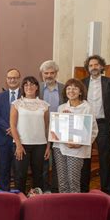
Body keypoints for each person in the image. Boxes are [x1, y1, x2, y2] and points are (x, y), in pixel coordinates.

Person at [81, 55, 110, 195]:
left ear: (102, 66)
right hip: (86, 123)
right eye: (91, 65)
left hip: (103, 124)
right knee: (85, 157)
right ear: (88, 68)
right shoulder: (82, 82)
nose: (94, 67)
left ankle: (107, 191)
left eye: (96, 65)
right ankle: (83, 189)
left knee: (105, 158)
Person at [52, 79, 98, 193]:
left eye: (74, 88)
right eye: (68, 88)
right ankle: (63, 207)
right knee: (62, 181)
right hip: (60, 147)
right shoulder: (61, 108)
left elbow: (93, 130)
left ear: (80, 92)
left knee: (73, 181)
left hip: (77, 149)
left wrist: (79, 143)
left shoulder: (87, 108)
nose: (71, 91)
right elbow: (56, 129)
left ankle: (74, 208)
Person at [10, 76, 50, 194]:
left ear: (37, 87)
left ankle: (37, 202)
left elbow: (47, 127)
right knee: (20, 175)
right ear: (23, 87)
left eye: (32, 84)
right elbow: (12, 125)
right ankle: (20, 200)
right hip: (21, 144)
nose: (29, 87)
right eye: (26, 85)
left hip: (40, 145)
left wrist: (48, 146)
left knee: (38, 176)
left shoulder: (44, 105)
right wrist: (18, 145)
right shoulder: (16, 103)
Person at [0, 69, 21, 191]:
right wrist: (9, 128)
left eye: (15, 78)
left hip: (20, 138)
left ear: (19, 79)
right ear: (6, 79)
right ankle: (5, 193)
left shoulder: (25, 96)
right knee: (4, 168)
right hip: (3, 138)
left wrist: (16, 130)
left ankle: (20, 193)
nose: (12, 80)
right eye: (10, 78)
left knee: (19, 168)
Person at [39, 60, 65, 193]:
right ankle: (43, 189)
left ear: (56, 73)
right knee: (42, 161)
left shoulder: (64, 88)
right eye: (46, 73)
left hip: (60, 129)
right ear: (42, 74)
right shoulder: (36, 88)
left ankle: (55, 189)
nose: (49, 75)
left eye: (52, 73)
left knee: (58, 161)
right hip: (41, 129)